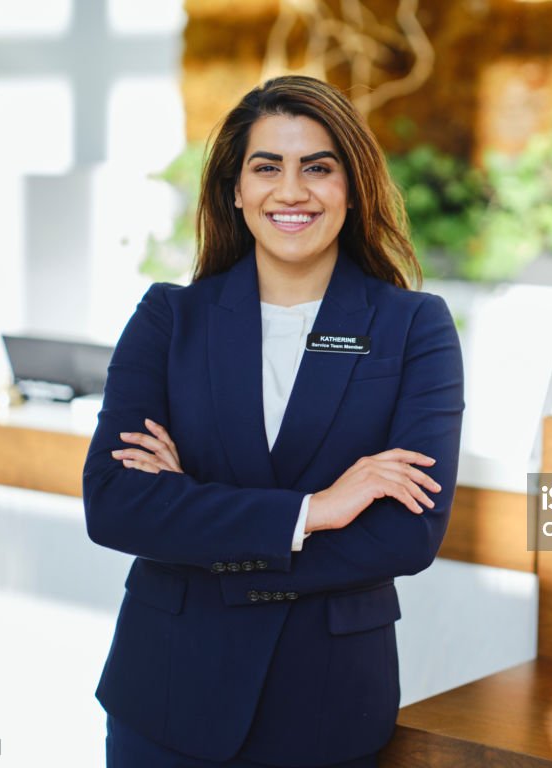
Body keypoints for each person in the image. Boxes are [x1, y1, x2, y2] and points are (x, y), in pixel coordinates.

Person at [83, 75, 464, 768]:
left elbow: (408, 533)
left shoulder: (414, 328)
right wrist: (314, 511)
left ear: (352, 188)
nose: (292, 191)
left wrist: (192, 515)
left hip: (327, 705)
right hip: (167, 697)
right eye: (267, 167)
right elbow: (115, 507)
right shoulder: (169, 319)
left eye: (318, 168)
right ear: (235, 188)